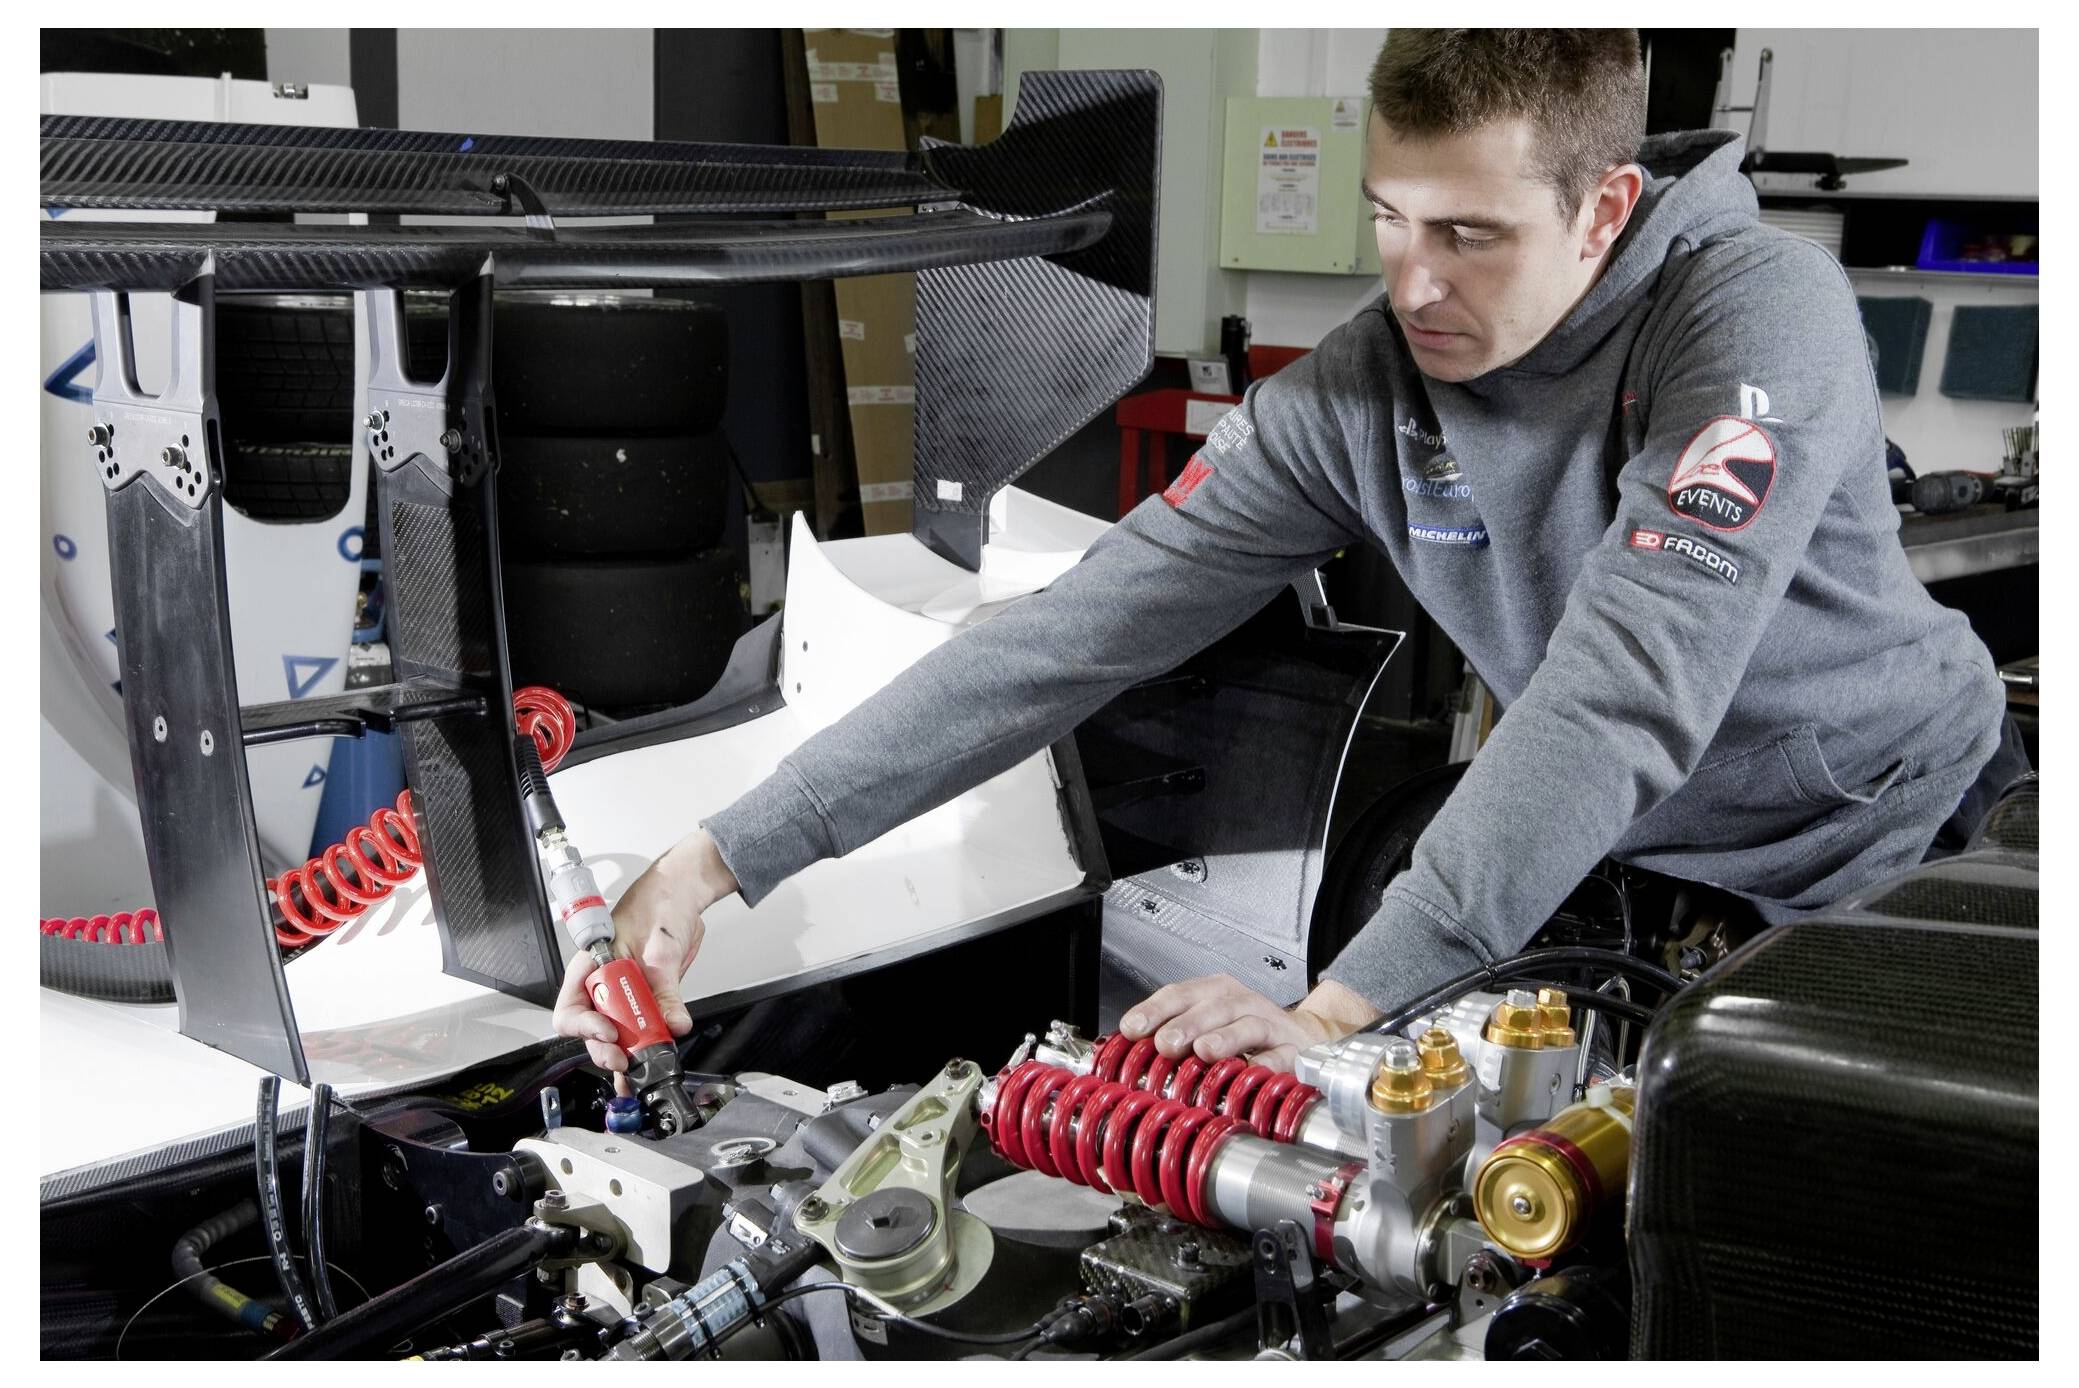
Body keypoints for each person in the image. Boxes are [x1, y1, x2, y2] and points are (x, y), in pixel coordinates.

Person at [554, 28, 2022, 1079]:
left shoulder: (1758, 314)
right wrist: (720, 855)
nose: (1415, 283)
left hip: (1897, 850)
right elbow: (1069, 639)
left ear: (1607, 210)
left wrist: (1340, 1006)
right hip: (1641, 868)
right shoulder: (1360, 396)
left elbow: (1625, 686)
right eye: (1387, 219)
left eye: (1472, 233)